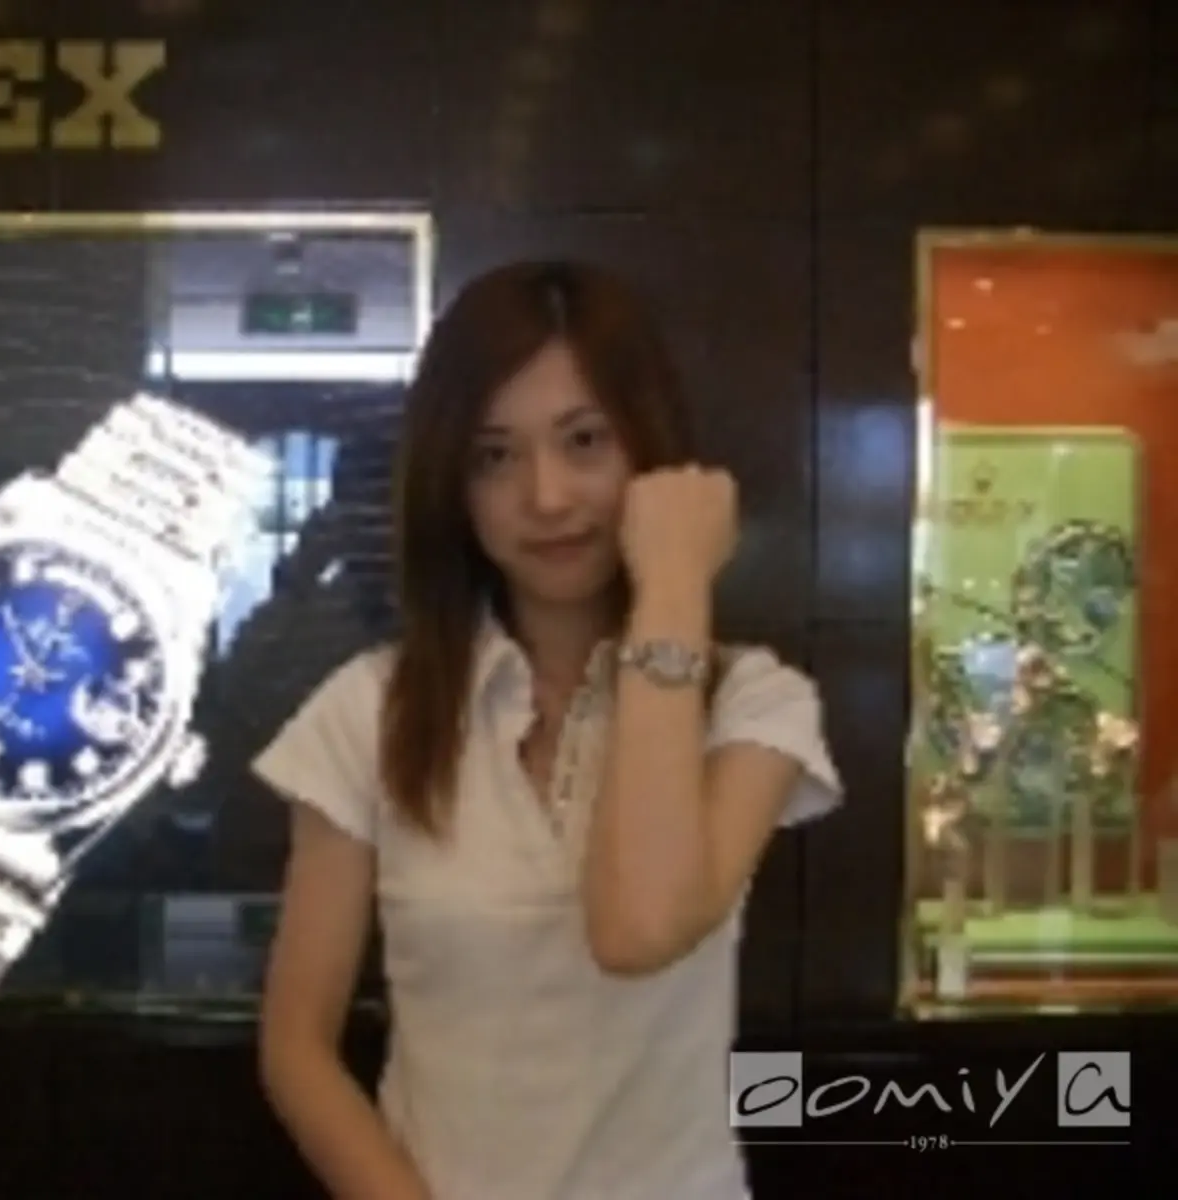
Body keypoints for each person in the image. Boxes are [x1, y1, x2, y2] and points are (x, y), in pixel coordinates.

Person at [252, 260, 842, 1200]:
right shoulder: (368, 711)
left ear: (649, 455)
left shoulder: (754, 704)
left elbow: (638, 927)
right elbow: (297, 1046)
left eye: (585, 440)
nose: (548, 496)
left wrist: (674, 582)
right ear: (455, 485)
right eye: (494, 456)